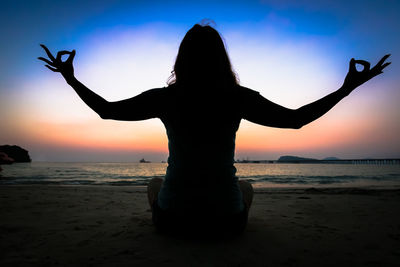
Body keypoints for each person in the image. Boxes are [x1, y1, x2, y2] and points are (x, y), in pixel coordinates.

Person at [39, 24, 390, 235]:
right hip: (226, 224)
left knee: (154, 183)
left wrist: (71, 78)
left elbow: (106, 111)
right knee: (245, 186)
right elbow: (297, 118)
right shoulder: (237, 97)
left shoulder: (166, 98)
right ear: (222, 58)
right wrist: (347, 88)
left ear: (181, 59)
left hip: (173, 223)